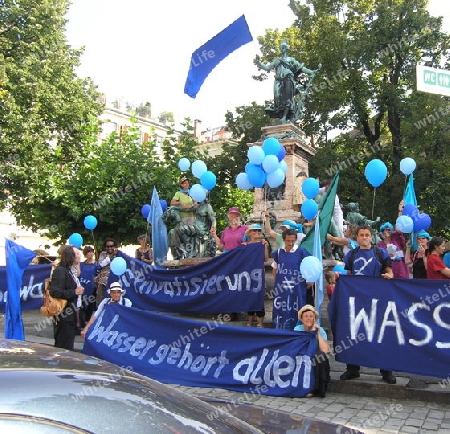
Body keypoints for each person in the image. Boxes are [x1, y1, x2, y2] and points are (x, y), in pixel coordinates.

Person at [339, 225, 396, 384]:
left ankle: (386, 370)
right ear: (356, 238)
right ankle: (352, 369)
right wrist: (340, 279)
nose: (364, 238)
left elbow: (390, 271)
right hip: (356, 302)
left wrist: (388, 276)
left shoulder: (380, 253)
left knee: (381, 334)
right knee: (354, 333)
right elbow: (349, 277)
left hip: (377, 300)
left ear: (371, 237)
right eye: (361, 235)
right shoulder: (351, 255)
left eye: (367, 235)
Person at [256, 40, 320, 123]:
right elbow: (267, 68)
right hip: (278, 80)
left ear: (286, 48)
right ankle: (279, 115)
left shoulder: (291, 60)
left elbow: (301, 68)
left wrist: (311, 72)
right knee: (277, 96)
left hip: (288, 79)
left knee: (287, 98)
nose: (282, 49)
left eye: (283, 47)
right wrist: (259, 63)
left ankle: (284, 117)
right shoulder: (277, 60)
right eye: (281, 47)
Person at [271, 228, 311, 329]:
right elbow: (275, 268)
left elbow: (309, 265)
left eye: (293, 240)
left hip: (297, 287)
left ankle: (298, 330)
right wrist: (277, 283)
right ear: (284, 240)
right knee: (282, 308)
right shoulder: (278, 253)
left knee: (298, 307)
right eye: (288, 240)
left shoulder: (301, 252)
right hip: (282, 288)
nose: (290, 243)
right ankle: (281, 331)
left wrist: (310, 280)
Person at [49, 245, 84, 350]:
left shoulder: (70, 270)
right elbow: (55, 291)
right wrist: (74, 292)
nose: (80, 255)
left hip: (71, 314)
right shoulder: (61, 270)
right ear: (70, 256)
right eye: (77, 253)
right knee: (63, 347)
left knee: (68, 346)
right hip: (63, 315)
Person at [294, 305, 330, 397]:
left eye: (311, 316)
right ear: (301, 319)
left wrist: (317, 333)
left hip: (315, 357)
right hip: (302, 356)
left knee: (320, 357)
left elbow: (325, 349)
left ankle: (315, 389)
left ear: (314, 319)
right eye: (306, 316)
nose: (309, 319)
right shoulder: (297, 330)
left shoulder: (320, 330)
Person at [242, 224, 269, 327]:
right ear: (250, 233)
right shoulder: (246, 245)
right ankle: (250, 320)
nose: (256, 233)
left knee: (259, 297)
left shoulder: (262, 244)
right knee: (249, 296)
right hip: (248, 274)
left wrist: (265, 247)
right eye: (254, 231)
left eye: (258, 231)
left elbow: (266, 259)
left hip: (259, 275)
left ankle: (260, 322)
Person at [94, 238, 120, 306]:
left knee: (114, 302)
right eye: (108, 246)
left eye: (111, 246)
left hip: (115, 282)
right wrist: (111, 256)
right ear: (105, 247)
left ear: (114, 246)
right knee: (100, 303)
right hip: (103, 282)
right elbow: (101, 264)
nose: (110, 248)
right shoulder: (103, 254)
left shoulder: (118, 254)